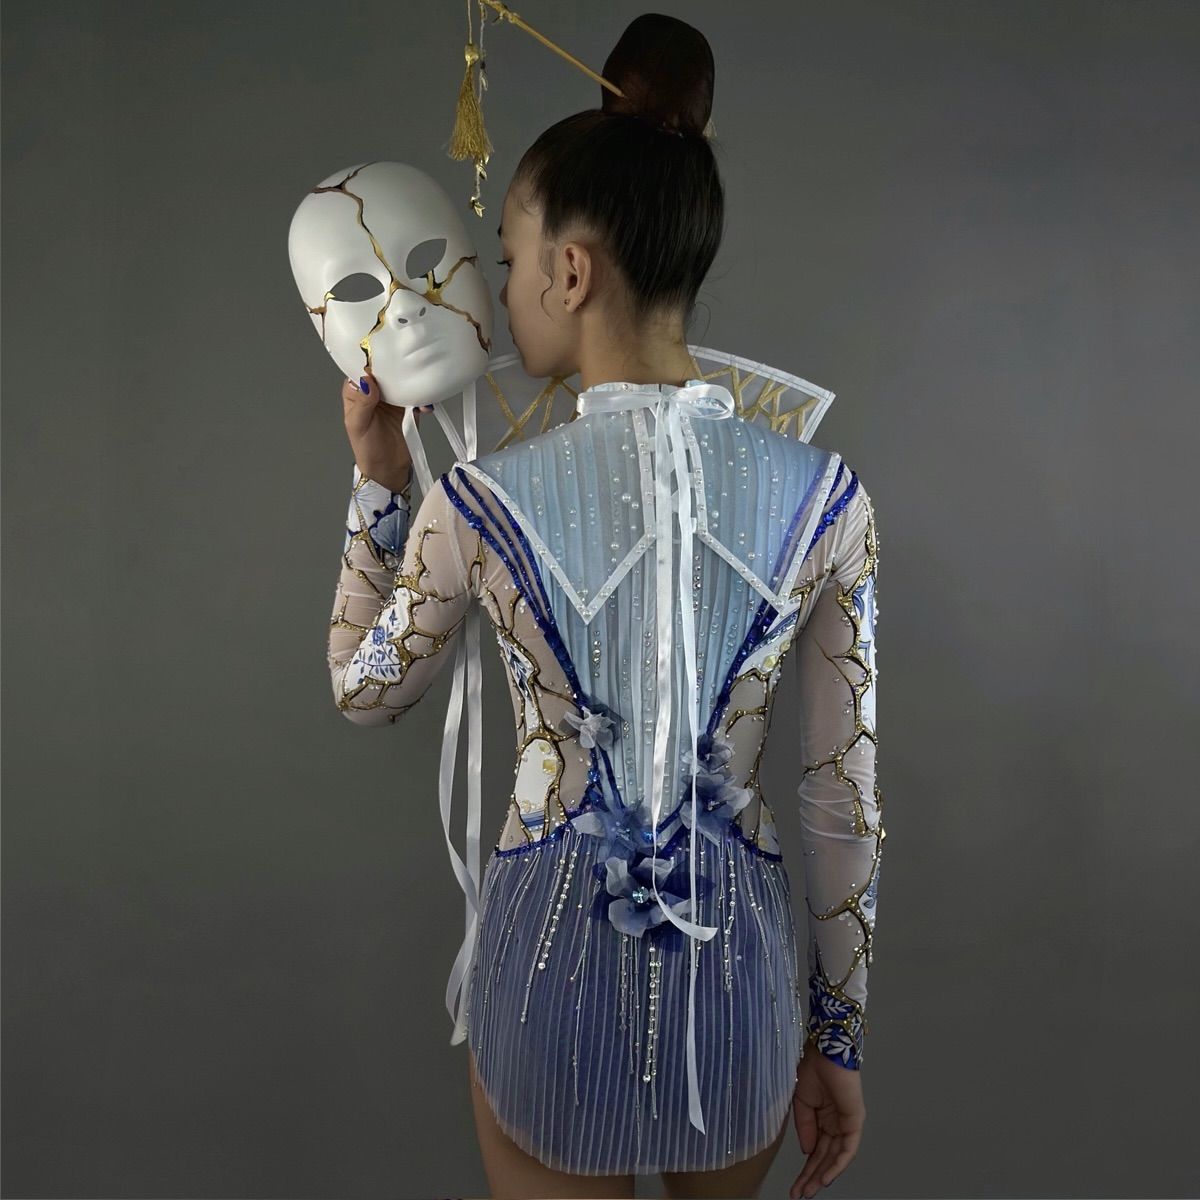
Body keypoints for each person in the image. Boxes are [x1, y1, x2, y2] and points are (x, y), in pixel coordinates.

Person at [326, 14, 881, 1200]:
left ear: (569, 273)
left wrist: (379, 483)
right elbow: (843, 800)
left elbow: (363, 690)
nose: (498, 293)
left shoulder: (475, 503)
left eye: (508, 260)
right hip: (737, 991)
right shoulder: (827, 497)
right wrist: (837, 1039)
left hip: (547, 982)